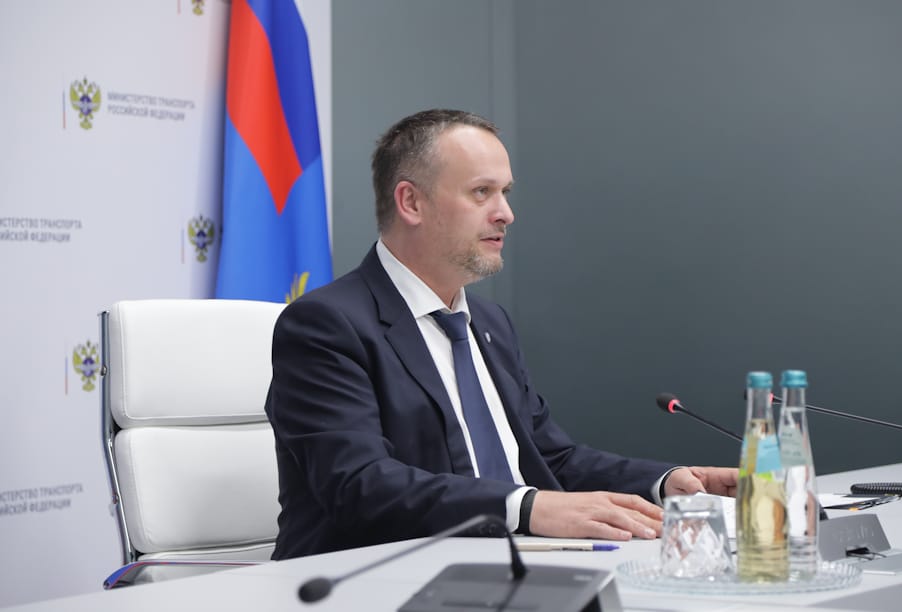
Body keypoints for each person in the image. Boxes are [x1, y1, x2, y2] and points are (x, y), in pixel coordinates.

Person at [265, 109, 737, 559]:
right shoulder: (327, 324)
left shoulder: (490, 324)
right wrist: (525, 507)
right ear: (411, 202)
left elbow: (551, 458)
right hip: (369, 581)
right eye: (481, 192)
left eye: (505, 192)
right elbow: (360, 485)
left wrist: (667, 482)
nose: (505, 213)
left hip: (506, 567)